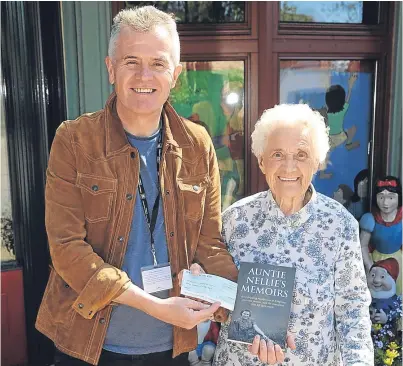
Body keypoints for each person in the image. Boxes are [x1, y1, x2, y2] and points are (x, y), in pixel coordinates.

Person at [35, 7, 239, 366]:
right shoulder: (74, 141)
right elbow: (66, 249)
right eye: (131, 61)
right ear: (111, 68)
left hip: (171, 346)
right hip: (89, 344)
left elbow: (210, 242)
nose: (144, 75)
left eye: (158, 64)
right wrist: (157, 307)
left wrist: (251, 322)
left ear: (175, 74)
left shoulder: (198, 144)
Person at [213, 104, 373, 365]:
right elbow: (216, 291)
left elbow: (352, 307)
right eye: (277, 154)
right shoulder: (234, 219)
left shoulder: (339, 224)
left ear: (317, 161)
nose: (289, 167)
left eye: (301, 154)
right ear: (262, 161)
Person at [360, 176, 402, 295]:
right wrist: (370, 266)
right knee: (377, 293)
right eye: (381, 197)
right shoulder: (370, 219)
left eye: (391, 197)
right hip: (376, 262)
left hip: (398, 263)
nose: (385, 202)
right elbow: (362, 246)